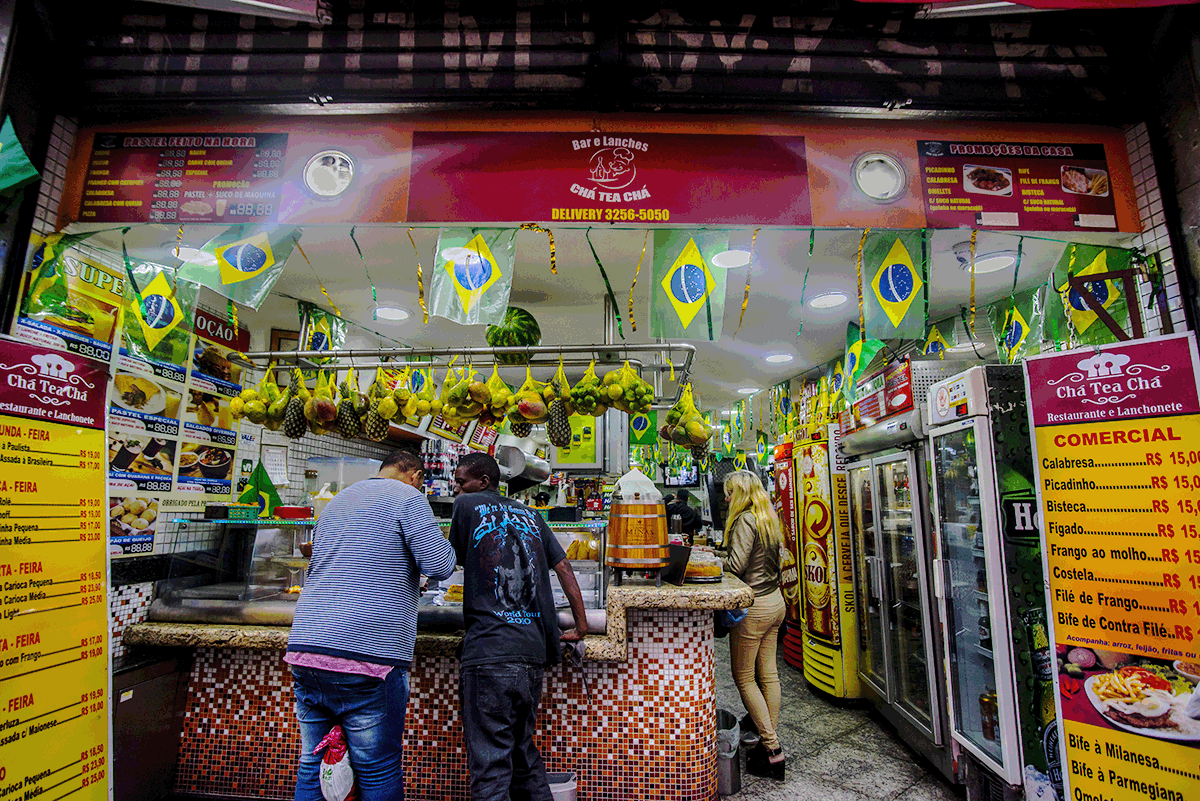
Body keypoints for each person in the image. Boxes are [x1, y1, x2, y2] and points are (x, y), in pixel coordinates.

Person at [286, 449, 456, 801]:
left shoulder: (338, 500)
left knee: (313, 762)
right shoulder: (408, 497)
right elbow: (440, 565)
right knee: (377, 767)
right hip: (367, 656)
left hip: (306, 649)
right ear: (415, 475)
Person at [449, 452, 588, 801]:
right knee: (523, 755)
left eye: (461, 481)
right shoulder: (531, 514)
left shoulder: (465, 506)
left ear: (483, 481)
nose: (456, 488)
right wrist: (582, 624)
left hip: (489, 651)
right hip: (531, 650)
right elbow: (564, 567)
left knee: (490, 767)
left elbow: (451, 562)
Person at [721, 469, 786, 780]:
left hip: (754, 607)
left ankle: (772, 750)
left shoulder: (745, 519)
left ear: (741, 494)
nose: (726, 499)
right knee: (769, 676)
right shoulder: (767, 517)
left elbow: (736, 565)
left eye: (729, 493)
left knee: (745, 678)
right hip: (775, 602)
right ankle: (765, 744)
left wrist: (712, 559)